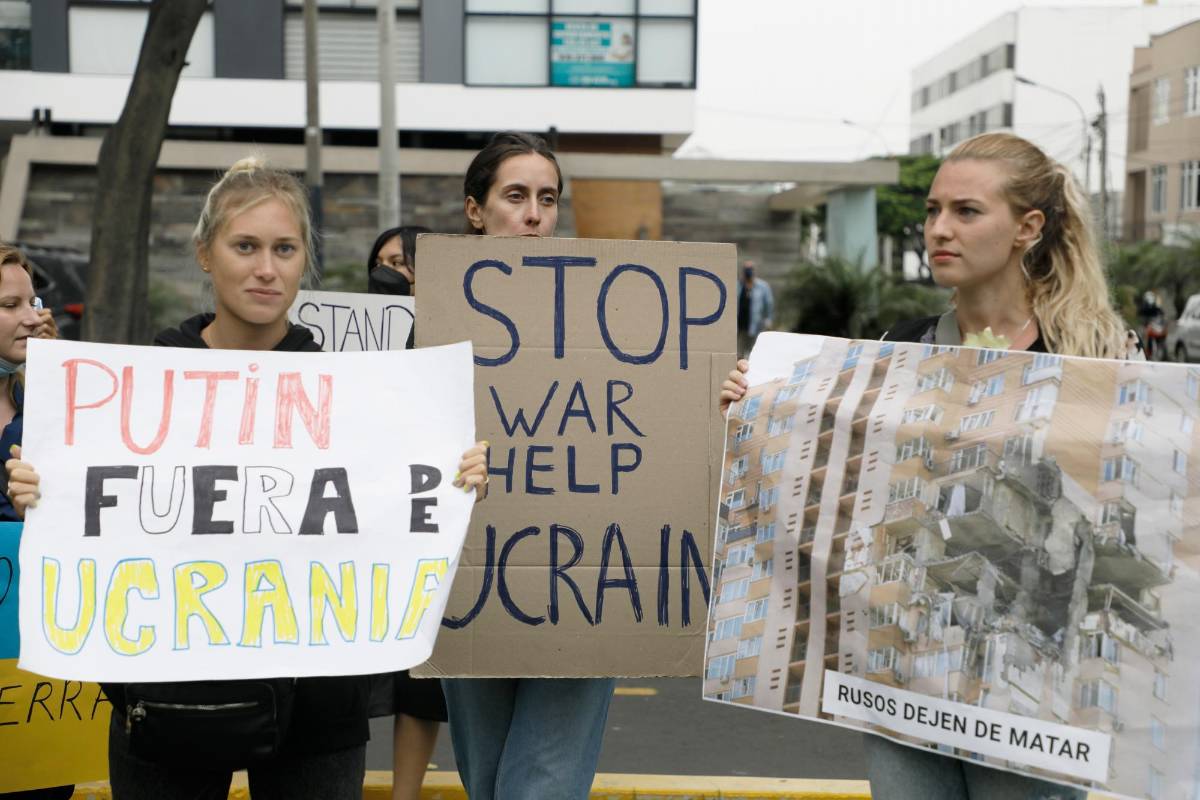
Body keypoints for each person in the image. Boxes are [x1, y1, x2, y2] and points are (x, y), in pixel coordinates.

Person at [4, 158, 489, 800]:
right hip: (166, 700)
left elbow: (389, 505)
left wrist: (453, 476)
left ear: (303, 262)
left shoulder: (358, 393)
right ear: (206, 254)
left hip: (318, 708)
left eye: (285, 249)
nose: (267, 268)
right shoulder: (141, 389)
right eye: (246, 246)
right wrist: (47, 490)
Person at [435, 131, 617, 800]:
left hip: (587, 577)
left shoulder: (613, 318)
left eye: (549, 198)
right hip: (472, 579)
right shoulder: (429, 322)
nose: (535, 213)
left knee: (538, 785)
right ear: (476, 210)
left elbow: (653, 425)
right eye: (516, 196)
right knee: (485, 780)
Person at [365, 223, 448, 800]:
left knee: (422, 673)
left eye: (408, 262)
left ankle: (406, 792)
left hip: (429, 513)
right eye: (386, 264)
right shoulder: (355, 336)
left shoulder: (458, 330)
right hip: (367, 517)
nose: (398, 272)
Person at [736, 259, 773, 357]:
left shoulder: (762, 286)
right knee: (739, 353)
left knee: (753, 353)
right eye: (746, 269)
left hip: (755, 326)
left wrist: (768, 319)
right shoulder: (738, 285)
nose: (748, 271)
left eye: (750, 269)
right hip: (740, 326)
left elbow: (768, 304)